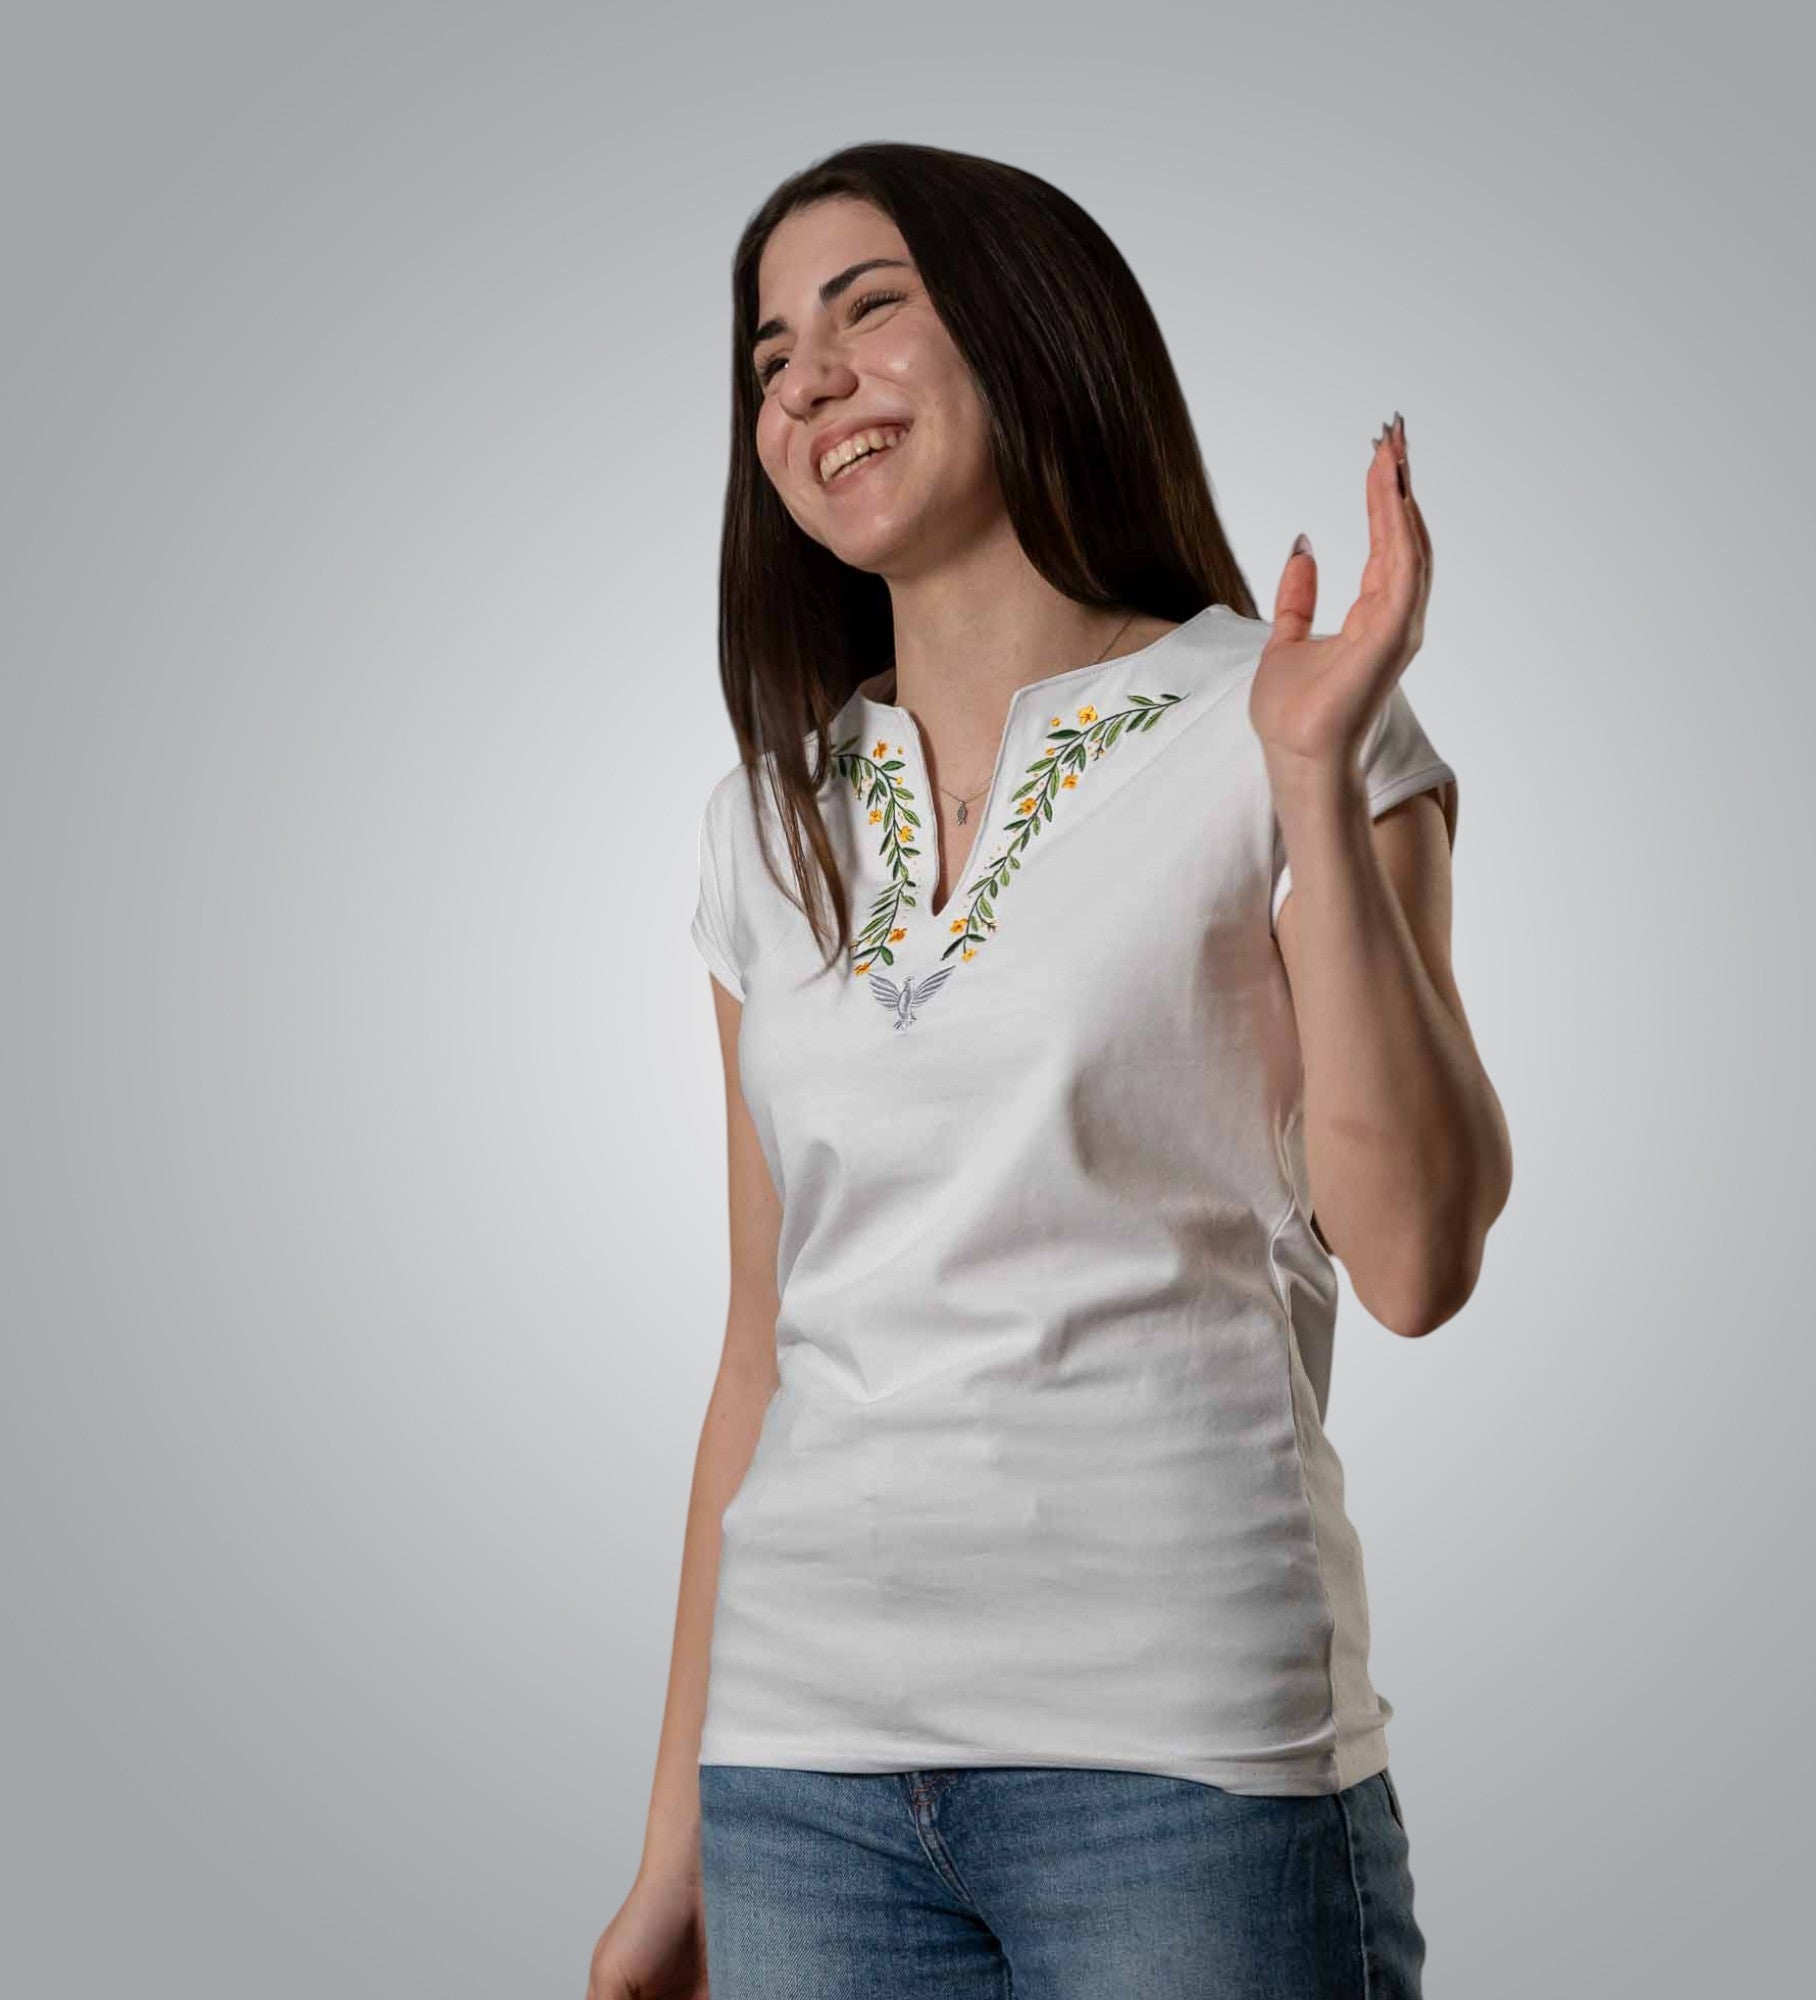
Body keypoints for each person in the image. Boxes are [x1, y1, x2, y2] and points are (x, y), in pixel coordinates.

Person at [588, 141, 1511, 2000]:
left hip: (1178, 1769)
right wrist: (678, 1836)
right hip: (806, 1783)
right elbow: (761, 1342)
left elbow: (1411, 1257)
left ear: (1033, 332)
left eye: (869, 311)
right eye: (768, 356)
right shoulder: (765, 824)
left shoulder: (1285, 720)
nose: (807, 381)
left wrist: (1316, 785)